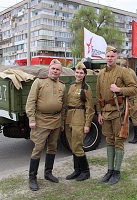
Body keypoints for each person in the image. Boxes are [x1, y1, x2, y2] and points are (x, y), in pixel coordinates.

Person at [96, 46, 137, 185]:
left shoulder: (123, 71)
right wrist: (99, 113)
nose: (110, 58)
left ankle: (117, 172)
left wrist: (119, 89)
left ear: (116, 57)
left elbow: (134, 89)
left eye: (112, 56)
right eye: (108, 56)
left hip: (119, 112)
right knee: (109, 140)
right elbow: (98, 95)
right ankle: (109, 170)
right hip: (106, 112)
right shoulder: (101, 74)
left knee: (118, 140)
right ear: (105, 57)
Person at [25, 59, 67, 191]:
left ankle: (48, 173)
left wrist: (62, 122)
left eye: (58, 69)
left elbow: (64, 106)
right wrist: (31, 119)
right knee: (38, 149)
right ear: (49, 69)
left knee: (52, 147)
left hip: (56, 120)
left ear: (61, 72)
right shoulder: (39, 82)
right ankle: (32, 178)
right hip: (41, 120)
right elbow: (31, 102)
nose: (55, 71)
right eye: (53, 68)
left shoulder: (62, 86)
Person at [65, 62, 95, 181]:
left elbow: (90, 108)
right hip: (69, 117)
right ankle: (77, 170)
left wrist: (87, 124)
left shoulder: (86, 88)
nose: (78, 74)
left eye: (81, 73)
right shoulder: (71, 85)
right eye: (77, 72)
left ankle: (85, 171)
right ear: (74, 73)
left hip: (79, 117)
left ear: (85, 74)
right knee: (72, 145)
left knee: (77, 145)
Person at [120, 59, 137, 144]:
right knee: (133, 117)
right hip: (134, 97)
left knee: (134, 118)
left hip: (133, 99)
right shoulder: (131, 70)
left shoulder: (127, 72)